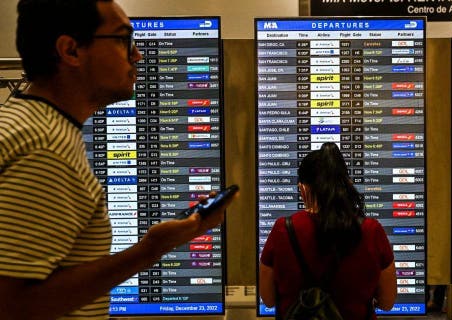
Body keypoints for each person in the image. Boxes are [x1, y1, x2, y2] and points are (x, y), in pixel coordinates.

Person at [0, 1, 236, 319]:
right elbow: (13, 305)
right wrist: (150, 249)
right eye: (123, 39)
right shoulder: (47, 149)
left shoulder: (22, 121)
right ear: (71, 51)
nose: (136, 55)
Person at [259, 142, 397, 319]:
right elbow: (387, 302)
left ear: (303, 189)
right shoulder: (371, 230)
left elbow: (268, 299)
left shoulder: (282, 229)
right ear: (347, 185)